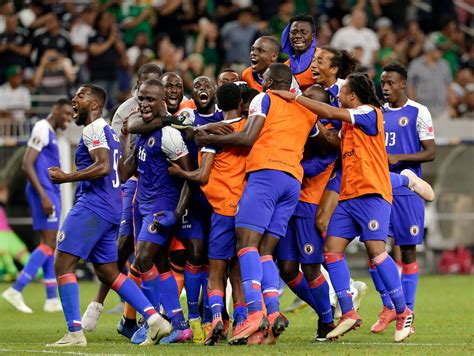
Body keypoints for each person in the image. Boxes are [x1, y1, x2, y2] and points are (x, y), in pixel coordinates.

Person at [270, 73, 414, 343]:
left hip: (372, 194)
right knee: (332, 252)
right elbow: (327, 132)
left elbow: (328, 109)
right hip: (348, 198)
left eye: (342, 92)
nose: (338, 96)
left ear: (353, 95)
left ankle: (403, 310)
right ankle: (348, 312)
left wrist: (296, 98)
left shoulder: (369, 113)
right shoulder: (347, 127)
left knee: (376, 251)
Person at [195, 63, 319, 344]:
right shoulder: (307, 109)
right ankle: (273, 313)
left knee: (246, 246)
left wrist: (210, 136)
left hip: (266, 174)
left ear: (272, 81)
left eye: (264, 79)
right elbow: (319, 140)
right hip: (293, 180)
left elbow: (248, 136)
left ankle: (253, 314)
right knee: (265, 251)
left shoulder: (265, 98)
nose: (260, 83)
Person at [46, 84, 170, 347]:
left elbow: (103, 166)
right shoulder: (110, 134)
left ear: (94, 105)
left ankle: (75, 334)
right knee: (108, 272)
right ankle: (155, 319)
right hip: (112, 207)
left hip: (93, 205)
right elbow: (119, 172)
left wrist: (66, 177)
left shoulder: (94, 129)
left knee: (62, 264)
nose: (73, 100)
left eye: (80, 96)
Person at [81, 63, 163, 338]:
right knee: (124, 246)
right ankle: (99, 303)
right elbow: (116, 152)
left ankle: (145, 318)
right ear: (136, 85)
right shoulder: (125, 110)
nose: (148, 92)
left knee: (158, 253)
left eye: (155, 85)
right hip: (131, 182)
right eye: (144, 86)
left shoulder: (170, 106)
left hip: (163, 186)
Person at [168, 82, 250, 345]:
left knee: (215, 272)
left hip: (222, 210)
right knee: (237, 274)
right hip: (246, 210)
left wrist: (181, 173)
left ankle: (215, 320)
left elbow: (202, 176)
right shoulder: (249, 128)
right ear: (240, 103)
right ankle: (242, 323)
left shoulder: (211, 138)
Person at [122, 79, 193, 345]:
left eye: (150, 99)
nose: (144, 104)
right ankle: (179, 324)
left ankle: (152, 320)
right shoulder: (143, 130)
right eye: (141, 99)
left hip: (162, 206)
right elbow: (125, 171)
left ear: (163, 101)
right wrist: (126, 137)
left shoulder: (171, 134)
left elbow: (188, 176)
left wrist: (176, 213)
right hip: (142, 204)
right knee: (160, 264)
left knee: (141, 261)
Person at [370, 62, 436, 334]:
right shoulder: (376, 113)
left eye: (390, 83)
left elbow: (430, 152)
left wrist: (400, 157)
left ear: (402, 84)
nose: (385, 87)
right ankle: (390, 307)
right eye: (382, 82)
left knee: (407, 252)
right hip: (379, 189)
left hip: (408, 191)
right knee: (374, 248)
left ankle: (408, 312)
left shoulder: (419, 111)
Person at [276, 86, 336, 342]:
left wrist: (285, 164)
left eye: (313, 100)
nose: (306, 103)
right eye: (306, 97)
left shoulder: (328, 133)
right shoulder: (294, 125)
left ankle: (327, 323)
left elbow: (317, 166)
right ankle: (325, 311)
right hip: (285, 204)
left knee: (311, 267)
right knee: (287, 270)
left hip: (308, 206)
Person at [2, 98, 72, 314]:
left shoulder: (51, 132)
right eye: (66, 114)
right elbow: (26, 164)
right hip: (44, 192)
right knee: (50, 243)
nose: (69, 120)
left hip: (48, 192)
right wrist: (43, 196)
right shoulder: (42, 128)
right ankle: (16, 289)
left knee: (48, 243)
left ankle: (51, 299)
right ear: (56, 110)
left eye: (71, 116)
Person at [282, 14, 318, 91]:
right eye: (294, 32)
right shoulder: (285, 67)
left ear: (312, 36)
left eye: (303, 32)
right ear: (289, 35)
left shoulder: (324, 58)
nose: (298, 36)